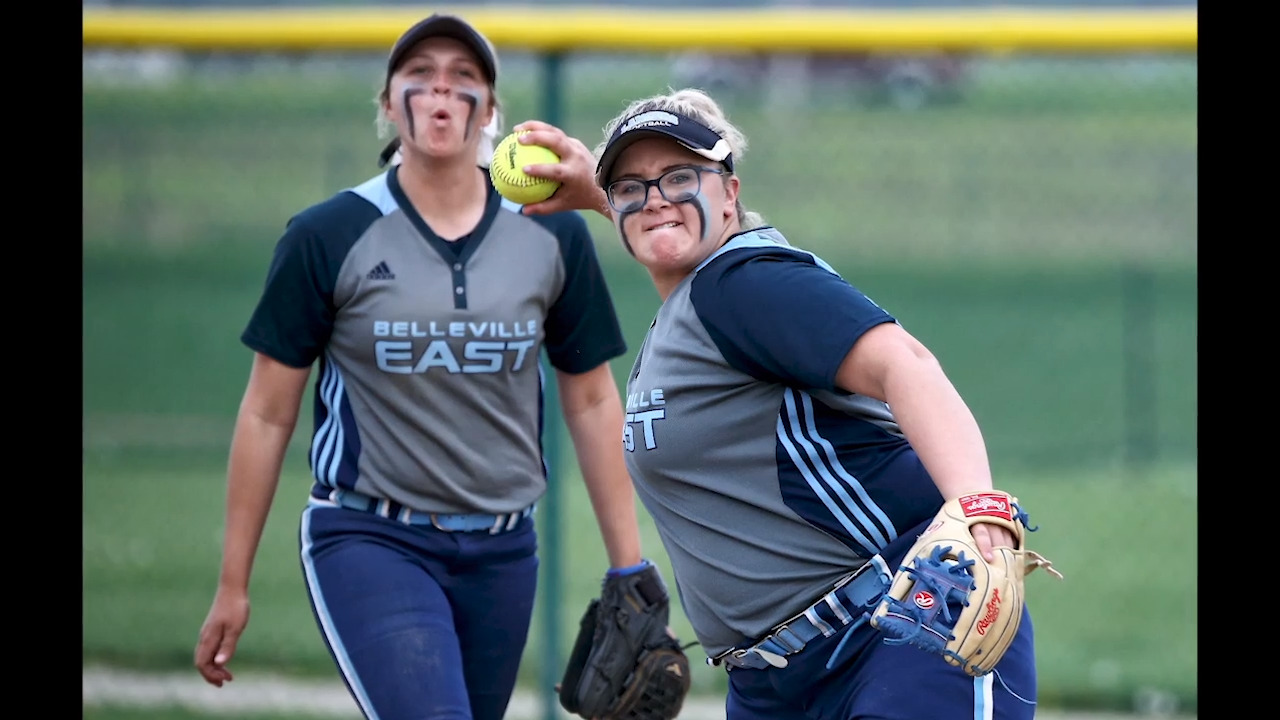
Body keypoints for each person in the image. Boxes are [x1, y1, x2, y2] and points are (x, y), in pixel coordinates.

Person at [512, 88, 1044, 719]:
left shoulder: (743, 285)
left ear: (731, 194)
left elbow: (907, 365)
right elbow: (666, 219)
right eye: (630, 186)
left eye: (681, 176)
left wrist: (976, 507)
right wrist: (599, 195)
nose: (655, 198)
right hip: (772, 685)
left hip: (894, 633)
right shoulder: (694, 304)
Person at [192, 14, 650, 720]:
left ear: (490, 110)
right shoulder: (329, 234)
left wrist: (630, 567)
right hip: (370, 536)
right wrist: (232, 582)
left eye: (464, 78)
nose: (442, 91)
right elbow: (267, 410)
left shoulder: (551, 231)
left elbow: (590, 400)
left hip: (503, 549)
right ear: (387, 103)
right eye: (421, 76)